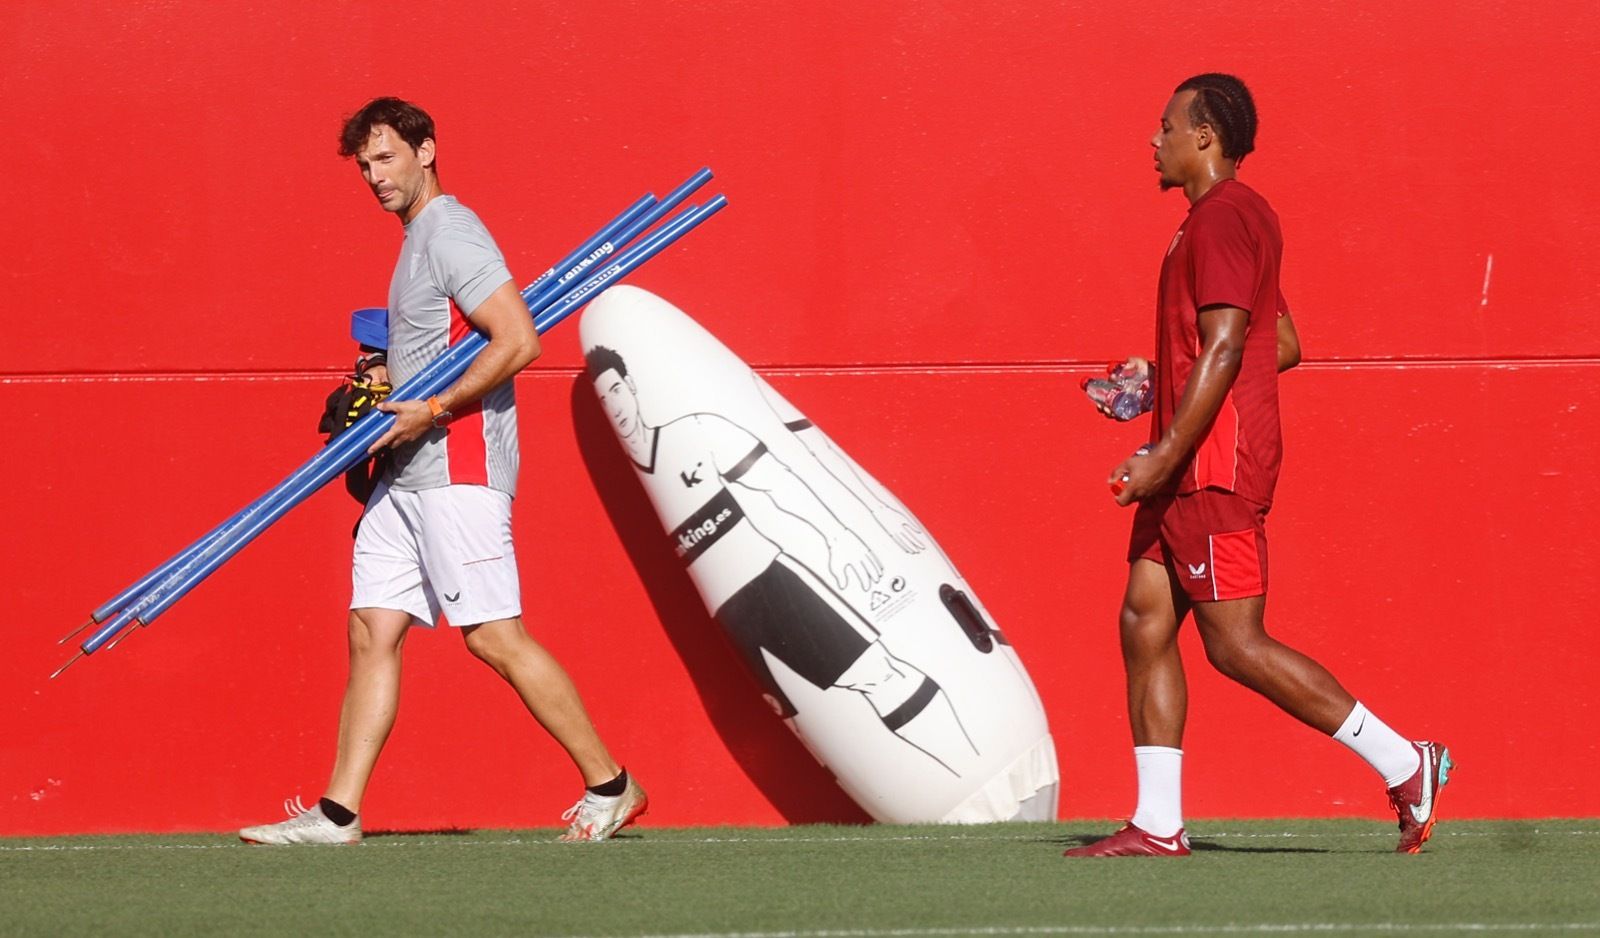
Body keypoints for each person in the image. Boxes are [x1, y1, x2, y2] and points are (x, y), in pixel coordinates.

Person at [240, 97, 644, 845]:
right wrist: (384, 380)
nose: (374, 176)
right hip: (409, 466)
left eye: (387, 157)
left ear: (426, 150)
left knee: (493, 636)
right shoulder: (416, 239)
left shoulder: (451, 231)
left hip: (455, 457)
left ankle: (611, 784)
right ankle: (339, 812)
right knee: (371, 628)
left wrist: (436, 407)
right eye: (364, 165)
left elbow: (518, 338)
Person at [1066, 75, 1452, 858]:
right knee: (1145, 620)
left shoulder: (1220, 219)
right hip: (1188, 461)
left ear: (1204, 137)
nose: (1154, 139)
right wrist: (1161, 376)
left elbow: (1230, 346)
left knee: (1235, 642)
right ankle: (1159, 824)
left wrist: (1164, 451)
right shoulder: (1232, 220)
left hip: (1209, 466)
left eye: (1166, 125)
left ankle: (1408, 763)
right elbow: (1279, 344)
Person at [585, 345, 981, 776]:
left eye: (617, 391)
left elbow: (777, 482)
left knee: (880, 677)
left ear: (633, 387)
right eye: (603, 401)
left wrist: (839, 536)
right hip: (730, 616)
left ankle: (976, 775)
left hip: (772, 586)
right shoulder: (643, 475)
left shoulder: (694, 432)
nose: (614, 406)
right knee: (794, 712)